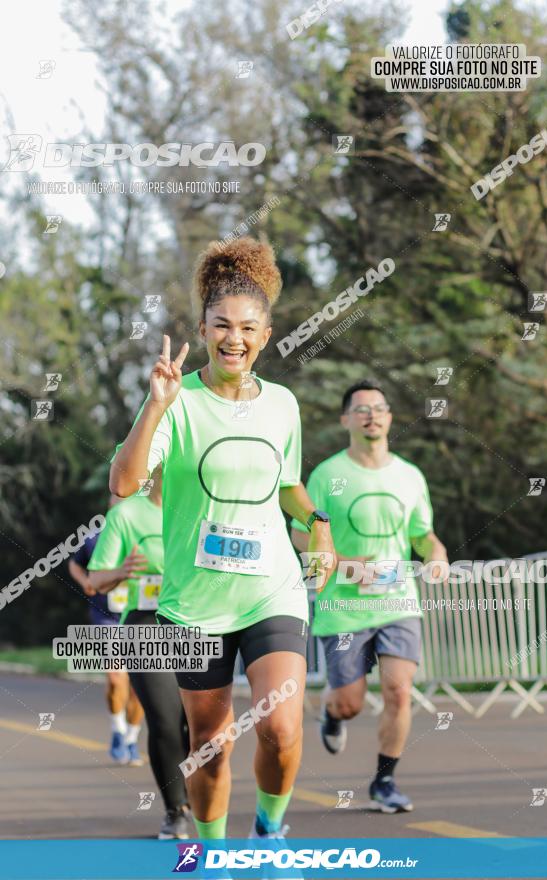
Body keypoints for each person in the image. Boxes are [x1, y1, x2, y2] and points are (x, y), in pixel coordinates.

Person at [108, 237, 336, 842]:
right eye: (221, 325)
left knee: (281, 728)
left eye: (248, 328)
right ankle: (212, 855)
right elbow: (125, 482)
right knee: (209, 746)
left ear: (266, 334)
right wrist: (156, 406)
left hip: (271, 590)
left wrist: (318, 525)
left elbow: (287, 486)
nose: (234, 338)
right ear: (203, 328)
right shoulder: (177, 402)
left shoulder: (283, 405)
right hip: (196, 604)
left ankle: (269, 829)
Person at [291, 378, 448, 813]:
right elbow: (299, 534)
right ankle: (332, 713)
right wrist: (343, 562)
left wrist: (436, 555)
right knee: (350, 702)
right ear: (346, 420)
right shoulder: (327, 475)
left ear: (390, 418)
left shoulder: (409, 476)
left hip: (399, 601)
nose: (371, 415)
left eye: (379, 408)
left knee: (399, 691)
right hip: (342, 605)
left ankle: (384, 782)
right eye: (361, 409)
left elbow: (423, 535)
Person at [87, 468, 192, 840]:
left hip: (200, 623)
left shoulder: (205, 508)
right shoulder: (126, 514)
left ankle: (196, 794)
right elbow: (94, 579)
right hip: (145, 623)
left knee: (195, 725)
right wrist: (121, 570)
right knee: (164, 719)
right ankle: (175, 810)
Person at [68, 498, 144, 766]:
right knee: (115, 677)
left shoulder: (151, 529)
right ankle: (118, 730)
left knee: (140, 688)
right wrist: (85, 581)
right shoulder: (95, 535)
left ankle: (132, 739)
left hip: (142, 617)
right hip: (107, 618)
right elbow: (75, 564)